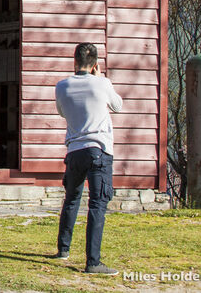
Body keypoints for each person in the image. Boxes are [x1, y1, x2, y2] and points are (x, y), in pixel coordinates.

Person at [53, 42, 123, 276]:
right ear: (95, 64)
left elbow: (62, 112)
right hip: (99, 149)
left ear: (74, 61)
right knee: (97, 204)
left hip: (74, 150)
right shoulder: (102, 83)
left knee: (71, 199)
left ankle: (63, 249)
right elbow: (118, 106)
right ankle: (93, 261)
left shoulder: (61, 86)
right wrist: (101, 77)